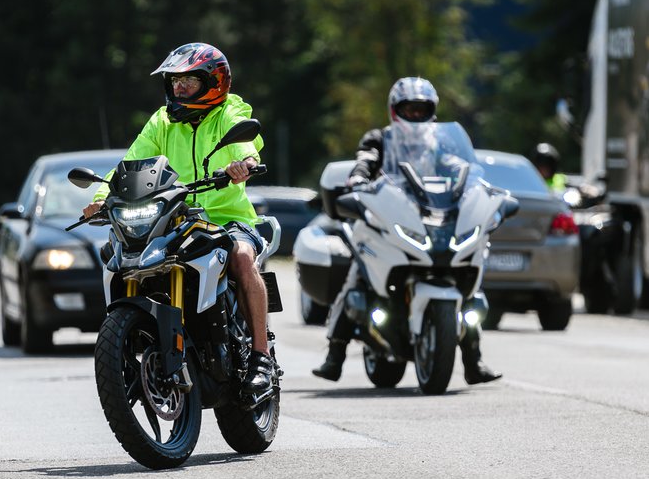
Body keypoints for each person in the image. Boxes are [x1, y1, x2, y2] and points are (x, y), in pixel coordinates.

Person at [82, 42, 275, 397]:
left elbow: (246, 145)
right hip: (175, 217)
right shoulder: (162, 121)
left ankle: (262, 358)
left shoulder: (229, 111)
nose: (179, 87)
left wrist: (244, 164)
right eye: (174, 81)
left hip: (227, 219)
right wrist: (100, 198)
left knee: (241, 257)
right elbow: (130, 163)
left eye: (189, 80)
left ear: (213, 82)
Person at [312, 76, 502, 385]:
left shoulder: (439, 145)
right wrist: (358, 179)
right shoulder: (380, 139)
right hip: (387, 220)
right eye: (409, 109)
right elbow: (366, 160)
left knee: (465, 280)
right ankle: (335, 354)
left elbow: (458, 166)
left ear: (432, 112)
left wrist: (475, 182)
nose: (415, 116)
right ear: (395, 110)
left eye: (421, 110)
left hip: (431, 222)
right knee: (357, 276)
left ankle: (473, 360)